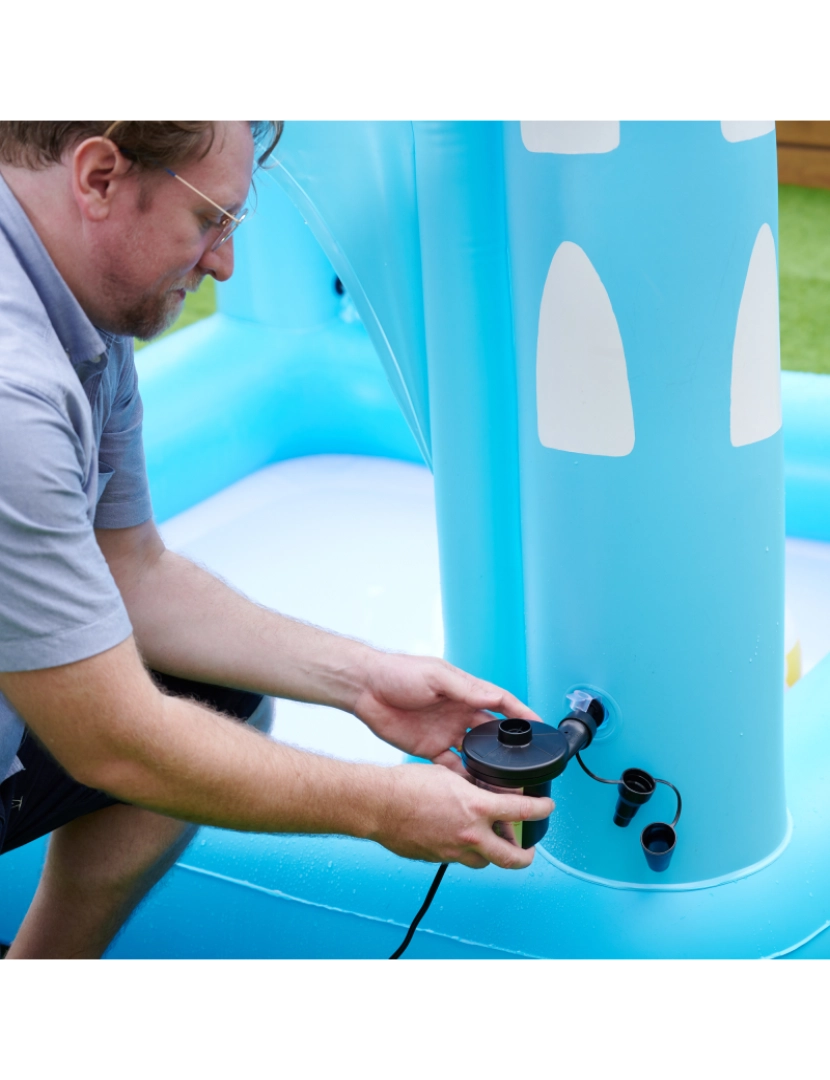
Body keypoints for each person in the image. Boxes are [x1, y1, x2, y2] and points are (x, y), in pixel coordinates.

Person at [0, 121, 553, 959]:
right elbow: (112, 742)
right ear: (101, 176)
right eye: (209, 222)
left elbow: (132, 571)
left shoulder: (78, 295)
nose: (223, 262)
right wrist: (383, 807)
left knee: (213, 694)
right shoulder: (15, 397)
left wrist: (364, 682)